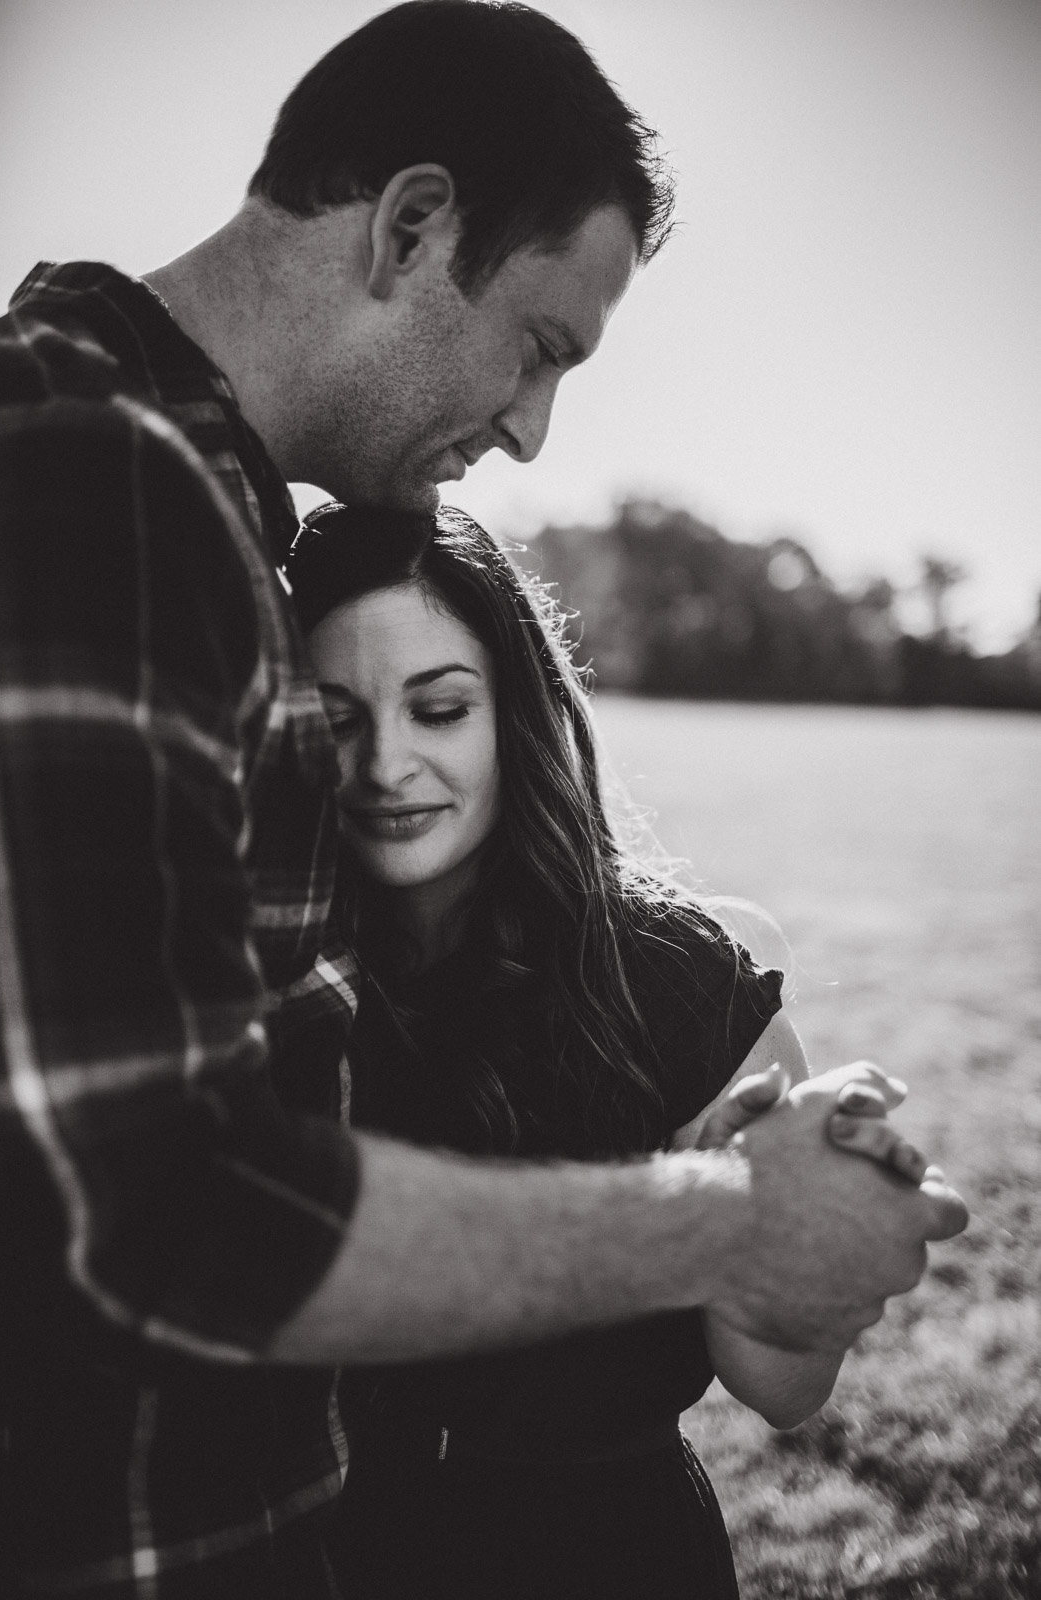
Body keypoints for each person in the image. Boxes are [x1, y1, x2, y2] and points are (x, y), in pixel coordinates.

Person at [0, 2, 965, 1593]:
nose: (527, 422)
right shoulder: (96, 473)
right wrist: (721, 1222)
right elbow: (145, 1209)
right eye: (538, 345)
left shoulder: (187, 498)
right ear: (412, 225)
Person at [283, 501, 936, 1599]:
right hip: (337, 1556)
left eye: (438, 708)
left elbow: (786, 1389)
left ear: (515, 712)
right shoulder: (280, 968)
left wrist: (771, 1234)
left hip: (601, 1554)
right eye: (336, 716)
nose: (384, 764)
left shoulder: (669, 974)